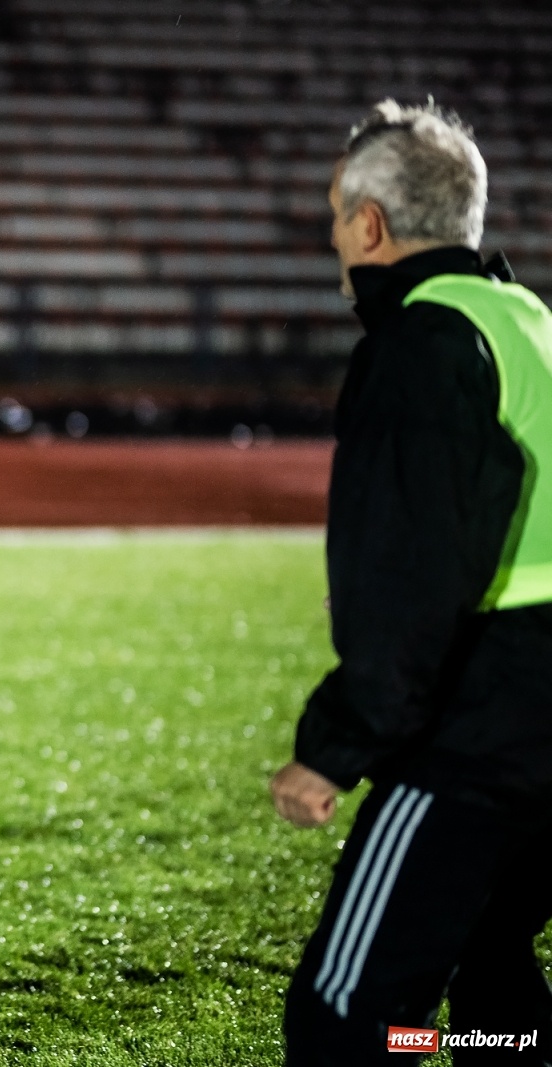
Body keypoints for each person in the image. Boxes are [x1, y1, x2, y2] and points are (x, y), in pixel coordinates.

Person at [271, 99, 552, 1065]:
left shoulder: (420, 343)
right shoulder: (529, 321)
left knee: (347, 1020)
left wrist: (334, 746)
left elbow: (416, 575)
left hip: (490, 724)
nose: (334, 241)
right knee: (494, 978)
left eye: (335, 218)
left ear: (371, 225)